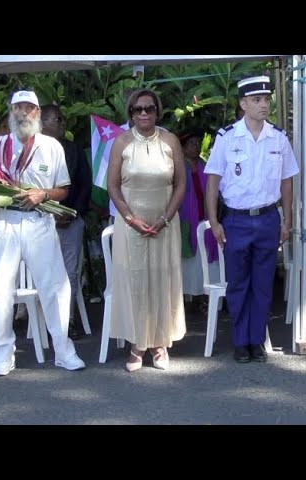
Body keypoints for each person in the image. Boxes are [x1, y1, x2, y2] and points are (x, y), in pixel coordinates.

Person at [0, 90, 86, 376]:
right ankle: (3, 355)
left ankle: (64, 351)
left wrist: (43, 194)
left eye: (29, 107)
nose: (23, 112)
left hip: (40, 221)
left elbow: (64, 189)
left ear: (37, 113)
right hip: (5, 221)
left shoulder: (51, 147)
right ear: (11, 112)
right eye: (18, 107)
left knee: (55, 287)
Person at [205, 75, 299, 363]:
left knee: (262, 284)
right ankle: (240, 341)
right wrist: (214, 221)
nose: (263, 104)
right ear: (243, 104)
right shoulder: (227, 137)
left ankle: (256, 340)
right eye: (257, 100)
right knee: (238, 284)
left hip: (268, 218)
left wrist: (287, 218)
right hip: (236, 220)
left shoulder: (278, 137)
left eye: (266, 99)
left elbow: (286, 181)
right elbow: (212, 182)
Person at [107, 89, 186, 372]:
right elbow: (113, 186)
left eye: (149, 109)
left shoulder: (170, 141)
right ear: (130, 112)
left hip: (164, 223)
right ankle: (137, 344)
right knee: (135, 283)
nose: (144, 114)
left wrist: (165, 218)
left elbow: (180, 184)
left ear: (157, 111)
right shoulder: (121, 142)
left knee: (162, 280)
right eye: (138, 109)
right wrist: (129, 218)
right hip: (131, 226)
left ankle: (160, 343)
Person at [40, 104, 92, 339]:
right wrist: (49, 213)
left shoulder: (73, 150)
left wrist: (69, 213)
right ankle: (43, 324)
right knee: (43, 274)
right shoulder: (32, 151)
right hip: (39, 222)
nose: (63, 124)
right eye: (58, 119)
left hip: (70, 220)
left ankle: (65, 321)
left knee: (69, 274)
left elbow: (84, 186)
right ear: (43, 123)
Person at [178, 127, 219, 310]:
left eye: (196, 143)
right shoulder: (179, 168)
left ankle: (206, 295)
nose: (195, 147)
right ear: (183, 148)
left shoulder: (205, 165)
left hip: (205, 216)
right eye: (191, 144)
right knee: (190, 258)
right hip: (188, 218)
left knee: (207, 257)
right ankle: (189, 296)